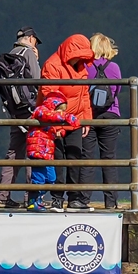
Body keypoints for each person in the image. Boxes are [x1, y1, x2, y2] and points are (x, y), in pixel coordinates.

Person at [38, 33, 95, 211]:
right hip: (56, 118)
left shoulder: (81, 68)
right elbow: (49, 94)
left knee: (74, 157)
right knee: (58, 158)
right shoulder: (52, 65)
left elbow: (84, 94)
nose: (82, 58)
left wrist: (86, 119)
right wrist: (56, 121)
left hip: (75, 119)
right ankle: (56, 198)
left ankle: (74, 199)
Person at [0, 26, 41, 208]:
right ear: (30, 38)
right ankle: (31, 198)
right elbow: (38, 81)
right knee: (33, 151)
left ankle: (2, 196)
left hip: (15, 111)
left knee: (13, 153)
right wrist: (36, 60)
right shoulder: (28, 53)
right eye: (36, 41)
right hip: (30, 110)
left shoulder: (10, 54)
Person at [24, 88, 81, 211]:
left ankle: (39, 197)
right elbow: (49, 116)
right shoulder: (41, 110)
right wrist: (66, 117)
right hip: (38, 150)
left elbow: (50, 124)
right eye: (59, 110)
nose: (60, 113)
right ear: (53, 105)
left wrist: (57, 130)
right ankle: (33, 201)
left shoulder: (49, 120)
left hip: (47, 152)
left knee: (51, 178)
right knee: (38, 178)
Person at [86, 33, 124, 210]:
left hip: (89, 115)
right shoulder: (114, 67)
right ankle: (111, 202)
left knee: (87, 159)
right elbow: (116, 91)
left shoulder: (85, 67)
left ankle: (83, 200)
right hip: (111, 114)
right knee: (109, 159)